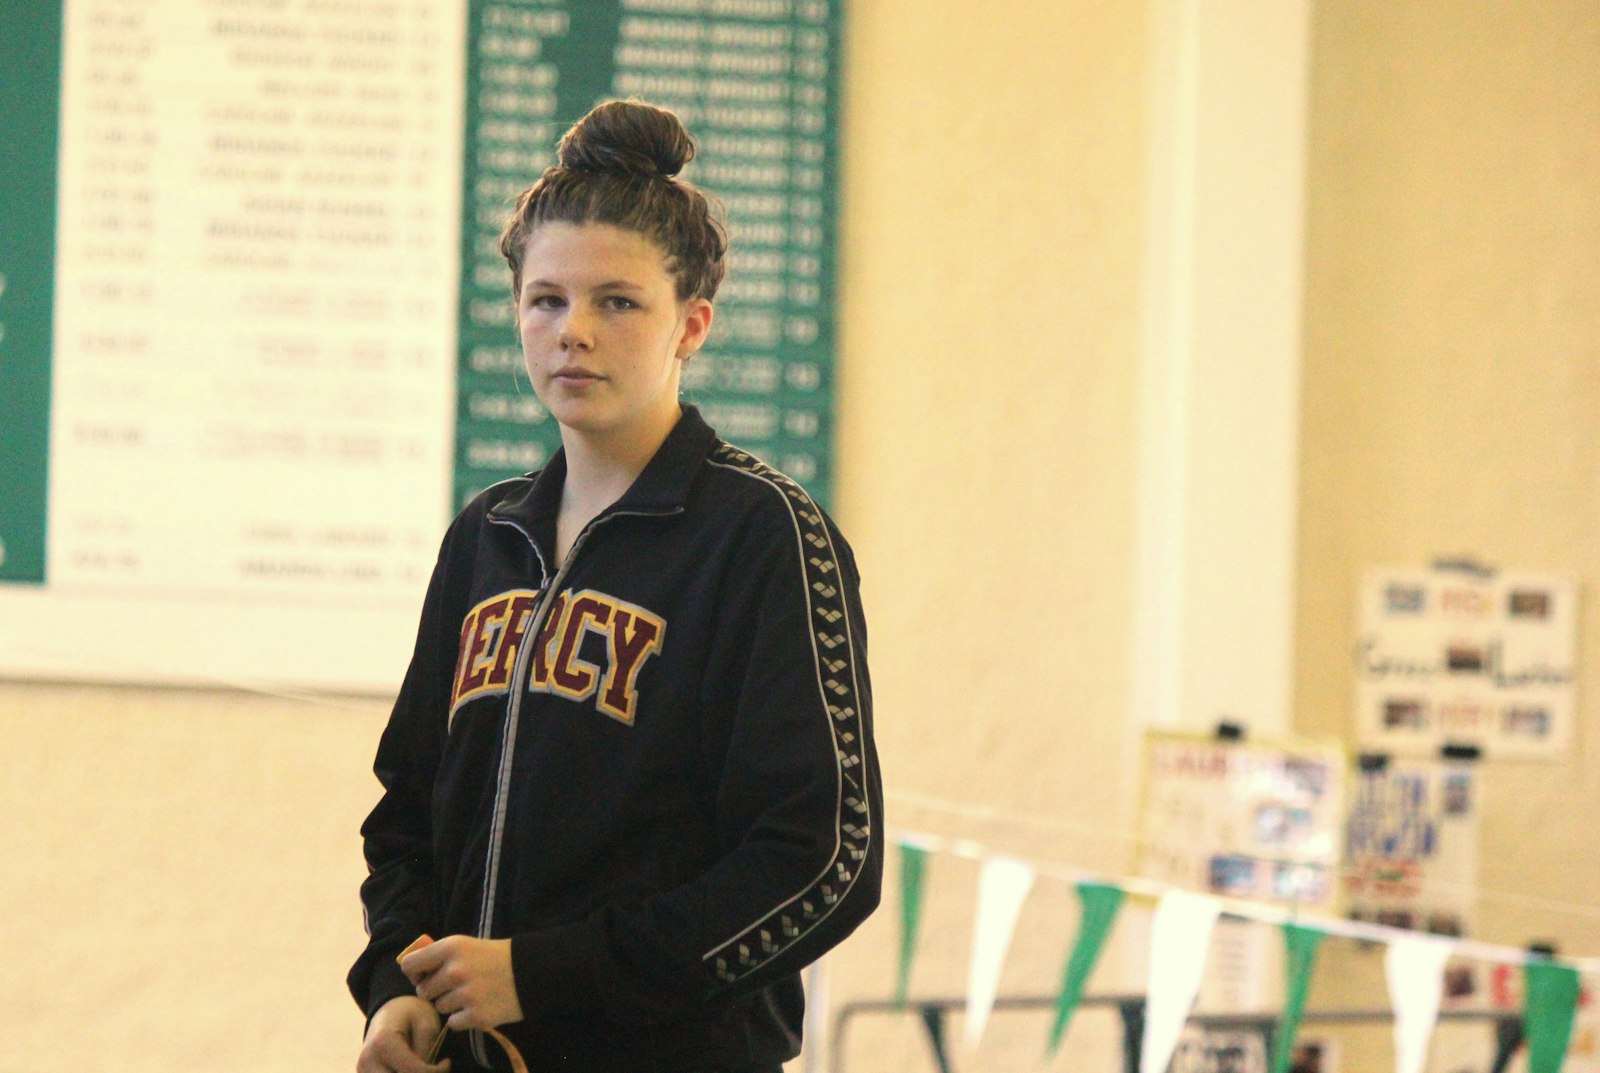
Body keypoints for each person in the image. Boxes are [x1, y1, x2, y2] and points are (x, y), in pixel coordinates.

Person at [349, 99, 882, 1073]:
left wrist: (544, 973)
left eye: (617, 301)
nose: (573, 332)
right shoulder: (486, 537)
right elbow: (407, 814)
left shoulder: (761, 533)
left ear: (692, 325)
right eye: (545, 299)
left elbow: (821, 861)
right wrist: (397, 980)